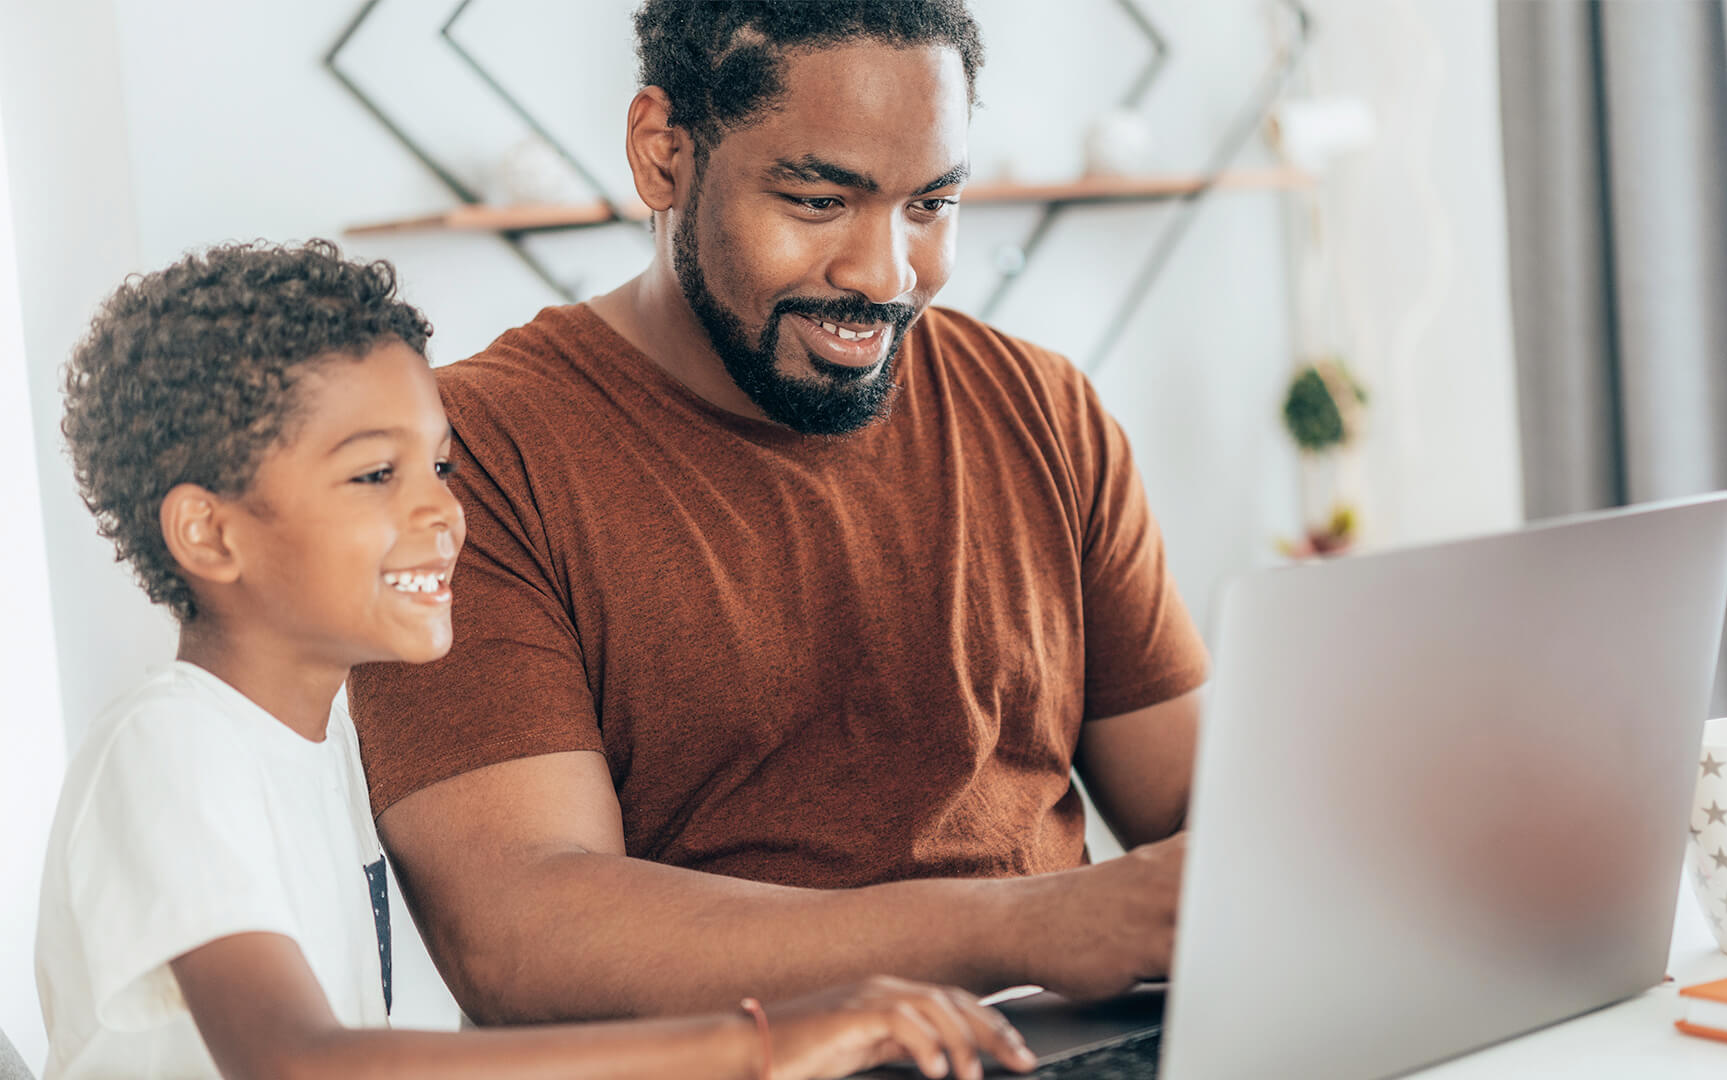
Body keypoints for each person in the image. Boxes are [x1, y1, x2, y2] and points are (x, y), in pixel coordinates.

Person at [345, 0, 1210, 1025]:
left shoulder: (1043, 409)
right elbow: (519, 933)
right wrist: (1020, 928)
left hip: (1063, 1047)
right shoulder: (467, 460)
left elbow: (1207, 821)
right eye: (816, 201)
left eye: (930, 205)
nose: (885, 274)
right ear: (663, 155)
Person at [35, 240, 1034, 1080]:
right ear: (210, 536)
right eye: (375, 474)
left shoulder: (330, 744)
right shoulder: (171, 746)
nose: (439, 510)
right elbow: (300, 1062)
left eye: (439, 465)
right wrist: (764, 1040)